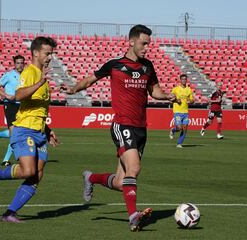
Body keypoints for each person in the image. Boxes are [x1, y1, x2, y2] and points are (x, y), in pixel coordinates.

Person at [63, 24, 177, 232]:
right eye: (143, 43)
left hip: (141, 128)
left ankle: (91, 177)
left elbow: (155, 91)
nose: (146, 48)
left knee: (120, 182)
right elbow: (91, 79)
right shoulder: (115, 65)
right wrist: (73, 88)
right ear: (131, 41)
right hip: (122, 124)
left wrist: (167, 96)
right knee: (134, 168)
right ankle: (133, 216)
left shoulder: (148, 66)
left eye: (148, 44)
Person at [0, 36, 59, 223]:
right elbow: (19, 95)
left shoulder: (41, 75)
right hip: (24, 130)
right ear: (36, 53)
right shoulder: (30, 72)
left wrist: (47, 129)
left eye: (51, 54)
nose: (49, 57)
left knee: (36, 175)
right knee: (28, 171)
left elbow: (38, 109)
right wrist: (40, 82)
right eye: (47, 54)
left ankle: (9, 213)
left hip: (39, 132)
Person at [0, 55, 25, 166]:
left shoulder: (26, 76)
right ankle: (6, 160)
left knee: (16, 133)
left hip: (21, 106)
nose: (20, 65)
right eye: (18, 63)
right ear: (14, 64)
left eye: (22, 63)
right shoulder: (9, 75)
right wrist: (6, 95)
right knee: (14, 133)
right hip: (10, 105)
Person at [169, 73, 194, 148]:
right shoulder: (175, 89)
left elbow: (193, 100)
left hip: (185, 112)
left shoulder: (189, 90)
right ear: (180, 80)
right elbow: (170, 100)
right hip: (177, 111)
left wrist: (190, 101)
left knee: (185, 129)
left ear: (186, 80)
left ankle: (179, 143)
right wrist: (176, 100)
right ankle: (173, 130)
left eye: (185, 79)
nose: (184, 80)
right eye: (182, 79)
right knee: (179, 127)